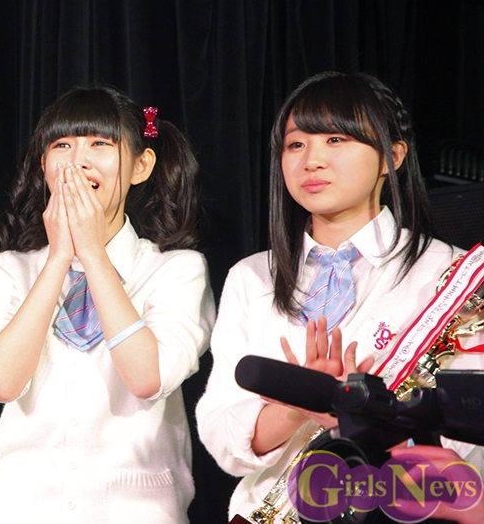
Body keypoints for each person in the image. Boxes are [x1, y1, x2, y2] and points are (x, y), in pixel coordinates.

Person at [196, 71, 484, 521]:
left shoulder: (451, 275)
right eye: (295, 144)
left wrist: (365, 421)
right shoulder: (252, 277)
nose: (311, 160)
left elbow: (467, 431)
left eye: (336, 139)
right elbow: (220, 431)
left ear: (392, 156)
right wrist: (299, 406)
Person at [0, 85, 215, 523]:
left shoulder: (176, 270)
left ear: (141, 165)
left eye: (100, 143)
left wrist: (92, 253)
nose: (77, 160)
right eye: (61, 145)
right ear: (43, 164)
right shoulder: (13, 269)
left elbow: (148, 377)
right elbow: (1, 384)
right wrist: (59, 258)